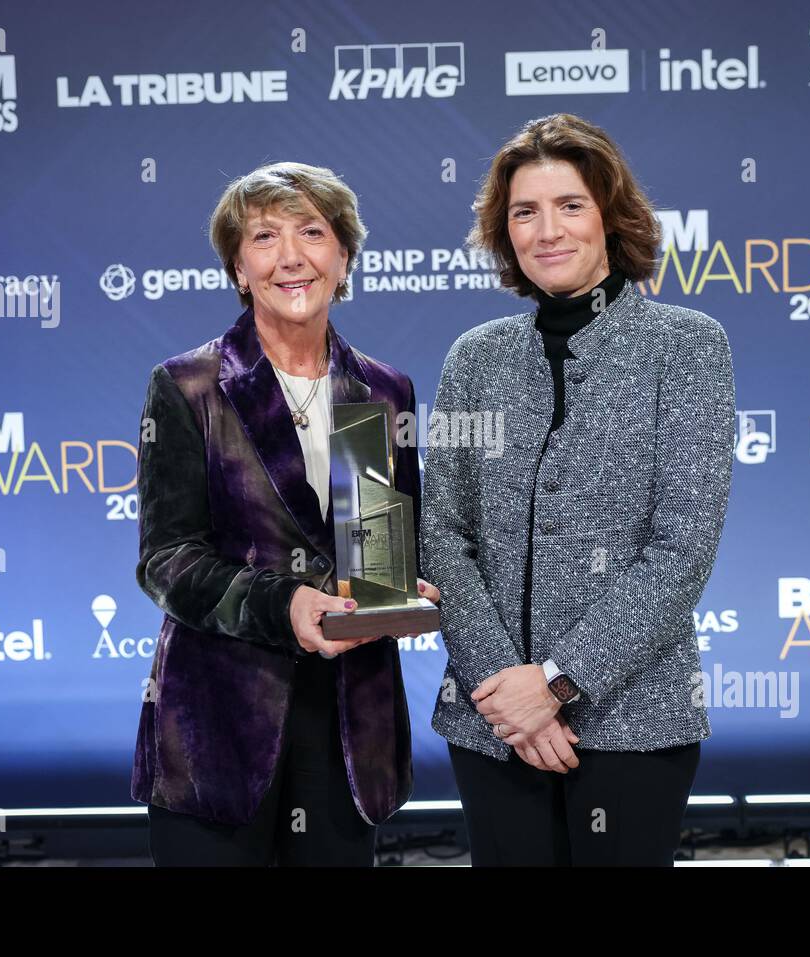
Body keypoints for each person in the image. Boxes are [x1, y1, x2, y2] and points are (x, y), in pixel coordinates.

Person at [421, 114, 735, 866]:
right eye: (524, 212)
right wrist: (510, 693)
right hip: (493, 727)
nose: (547, 230)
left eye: (569, 205)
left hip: (633, 720)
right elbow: (441, 531)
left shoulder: (688, 347)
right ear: (506, 231)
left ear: (610, 217)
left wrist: (557, 684)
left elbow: (680, 550)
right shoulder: (476, 358)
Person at [130, 161, 437, 866]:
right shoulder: (189, 387)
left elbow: (380, 547)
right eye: (264, 236)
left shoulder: (384, 390)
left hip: (346, 727)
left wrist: (398, 589)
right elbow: (167, 561)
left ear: (344, 257)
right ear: (239, 268)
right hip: (219, 730)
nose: (292, 256)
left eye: (313, 232)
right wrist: (285, 604)